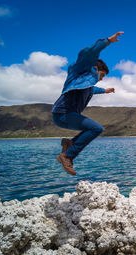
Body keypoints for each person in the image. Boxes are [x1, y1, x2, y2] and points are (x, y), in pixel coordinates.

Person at [52, 31, 124, 175]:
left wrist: (105, 90)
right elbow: (90, 52)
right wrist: (108, 41)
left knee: (92, 129)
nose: (101, 79)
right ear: (95, 69)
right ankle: (67, 155)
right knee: (96, 128)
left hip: (65, 115)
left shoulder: (88, 86)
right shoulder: (80, 71)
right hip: (62, 113)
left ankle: (68, 144)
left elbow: (93, 90)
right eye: (102, 75)